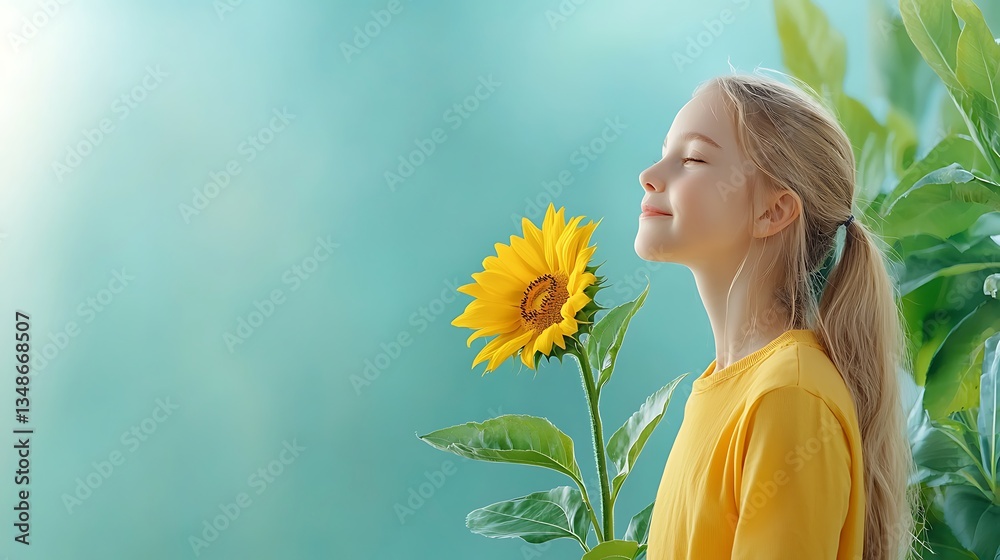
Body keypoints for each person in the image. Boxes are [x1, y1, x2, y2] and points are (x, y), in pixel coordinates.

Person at [634, 71, 920, 560]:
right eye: (665, 151)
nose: (651, 174)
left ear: (774, 211)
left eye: (694, 158)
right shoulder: (729, 387)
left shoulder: (789, 397)